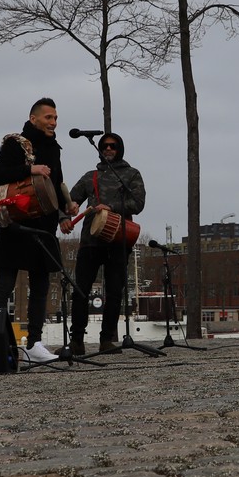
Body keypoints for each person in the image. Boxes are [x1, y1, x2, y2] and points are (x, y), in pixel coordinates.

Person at [0, 98, 77, 362]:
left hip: (44, 226)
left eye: (55, 118)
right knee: (5, 285)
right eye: (48, 117)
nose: (53, 122)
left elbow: (56, 183)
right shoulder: (16, 144)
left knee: (41, 286)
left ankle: (34, 345)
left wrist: (66, 208)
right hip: (15, 224)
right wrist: (30, 169)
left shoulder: (54, 148)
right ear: (33, 118)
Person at [67, 131, 145, 354]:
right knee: (80, 291)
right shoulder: (89, 176)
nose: (108, 149)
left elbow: (138, 203)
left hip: (118, 239)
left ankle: (106, 340)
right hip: (90, 241)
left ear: (120, 149)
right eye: (105, 146)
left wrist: (111, 207)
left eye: (113, 146)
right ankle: (76, 341)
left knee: (114, 292)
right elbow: (70, 200)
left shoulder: (131, 174)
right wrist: (68, 211)